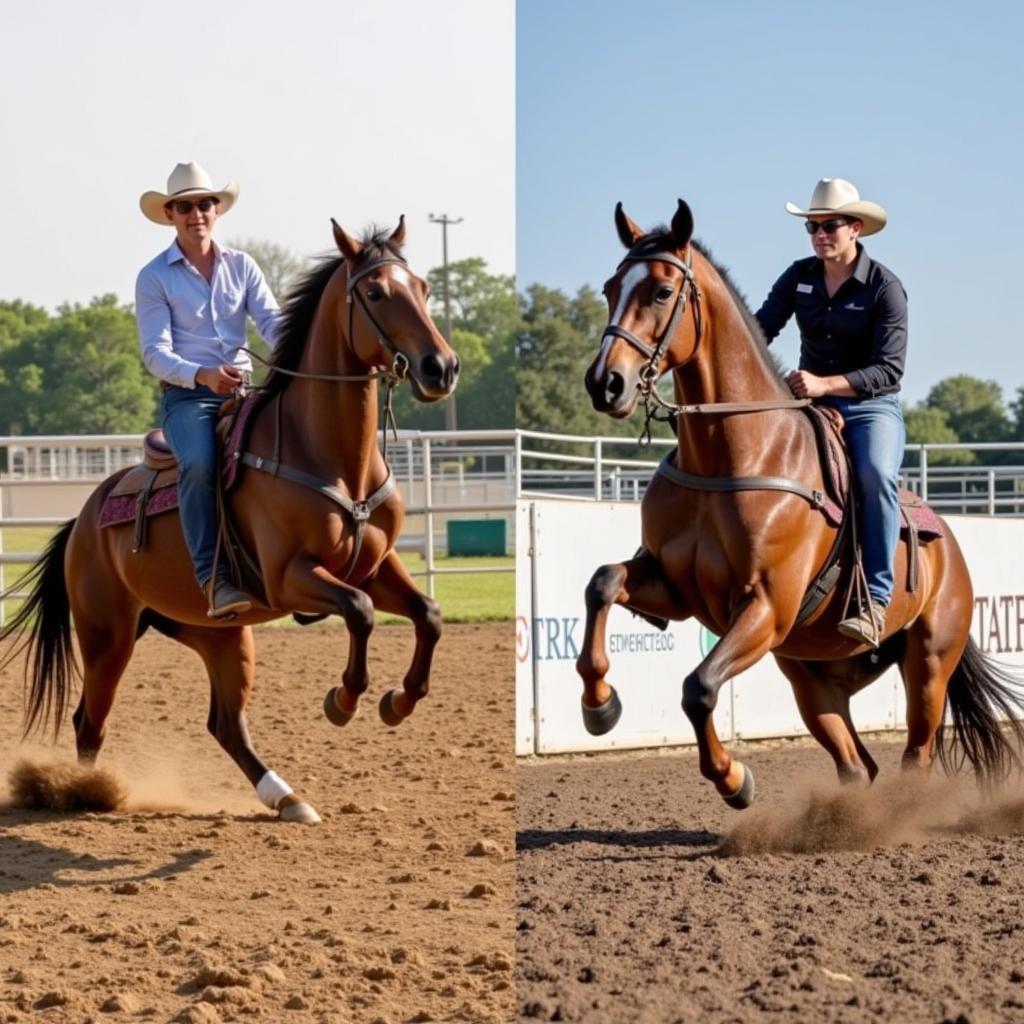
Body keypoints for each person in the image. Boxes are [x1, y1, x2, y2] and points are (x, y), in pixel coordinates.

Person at [755, 178, 908, 646]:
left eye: (830, 225)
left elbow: (889, 370)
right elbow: (760, 329)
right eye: (813, 227)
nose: (820, 234)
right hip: (807, 400)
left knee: (876, 475)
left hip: (870, 407)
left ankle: (876, 599)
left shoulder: (886, 288)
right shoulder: (797, 275)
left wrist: (825, 384)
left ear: (855, 229)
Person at [136, 161, 281, 616]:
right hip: (189, 397)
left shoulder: (243, 265)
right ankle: (211, 576)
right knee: (199, 464)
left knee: (296, 447)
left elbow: (273, 322)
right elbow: (154, 353)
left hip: (245, 391)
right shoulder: (154, 276)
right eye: (184, 206)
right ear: (171, 214)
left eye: (203, 203)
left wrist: (298, 355)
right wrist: (202, 375)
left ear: (217, 209)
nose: (195, 212)